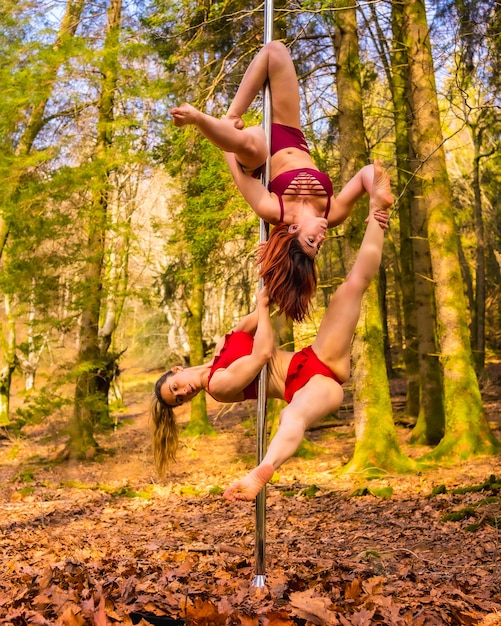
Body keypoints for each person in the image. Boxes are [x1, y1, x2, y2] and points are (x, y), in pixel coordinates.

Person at [151, 162, 392, 501]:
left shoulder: (224, 345)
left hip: (313, 358)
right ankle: (262, 472)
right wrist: (261, 310)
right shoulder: (218, 386)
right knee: (294, 415)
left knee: (352, 287)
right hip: (308, 384)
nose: (184, 391)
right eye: (179, 399)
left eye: (176, 386)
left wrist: (273, 264)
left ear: (177, 370)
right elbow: (263, 351)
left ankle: (378, 218)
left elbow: (271, 302)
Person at [171, 41, 391, 322]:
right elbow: (365, 174)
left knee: (254, 150)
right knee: (275, 52)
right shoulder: (332, 213)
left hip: (258, 155)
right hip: (290, 133)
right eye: (319, 245)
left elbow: (239, 174)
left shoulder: (274, 210)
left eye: (312, 240)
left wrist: (227, 137)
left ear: (296, 230)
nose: (322, 237)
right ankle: (231, 116)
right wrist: (375, 203)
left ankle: (198, 117)